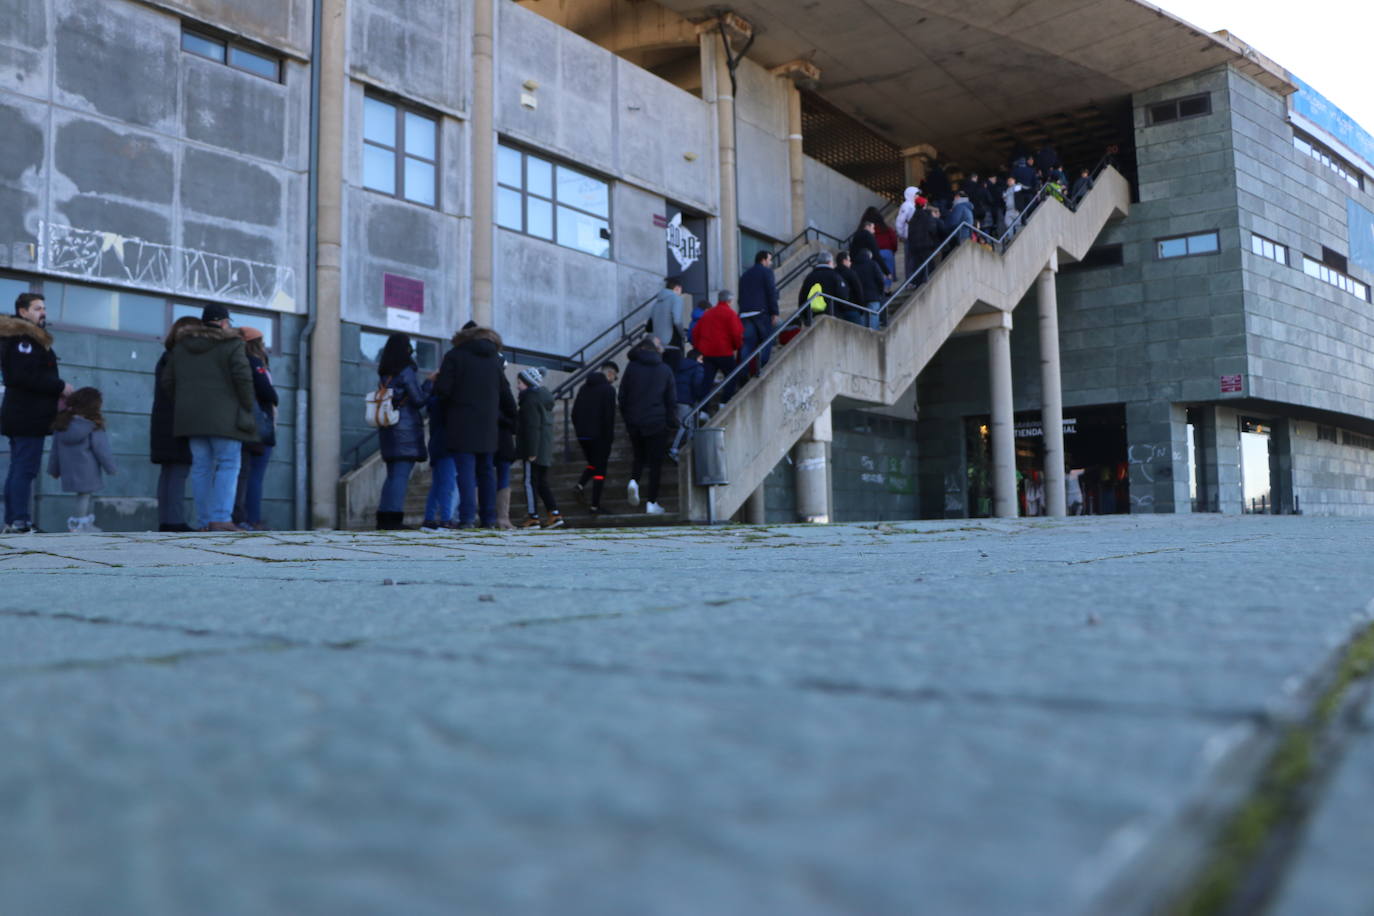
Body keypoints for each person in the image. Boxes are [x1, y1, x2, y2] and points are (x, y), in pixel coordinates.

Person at [163, 303, 256, 532]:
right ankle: (221, 518)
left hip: (192, 419)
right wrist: (245, 406)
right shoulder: (231, 343)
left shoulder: (181, 347)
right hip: (225, 418)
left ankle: (204, 521)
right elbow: (243, 378)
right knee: (228, 464)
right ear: (224, 322)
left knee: (201, 467)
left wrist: (186, 404)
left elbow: (168, 381)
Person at [1, 292, 73, 533]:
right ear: (23, 312)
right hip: (26, 416)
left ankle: (16, 520)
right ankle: (18, 521)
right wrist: (60, 386)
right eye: (37, 308)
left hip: (27, 415)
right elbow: (20, 376)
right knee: (24, 468)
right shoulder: (24, 339)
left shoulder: (28, 338)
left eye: (43, 308)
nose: (43, 312)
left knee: (21, 468)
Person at [434, 324, 510, 529]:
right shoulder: (495, 361)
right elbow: (506, 394)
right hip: (488, 426)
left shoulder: (454, 356)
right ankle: (489, 519)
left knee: (466, 472)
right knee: (486, 471)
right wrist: (512, 420)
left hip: (461, 423)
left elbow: (443, 390)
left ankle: (467, 518)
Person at [150, 316, 200, 532]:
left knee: (169, 472)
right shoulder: (180, 358)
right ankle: (174, 521)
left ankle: (167, 520)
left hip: (164, 422)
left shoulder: (167, 356)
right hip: (178, 422)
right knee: (178, 471)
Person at [618, 337, 677, 515]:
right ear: (656, 350)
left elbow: (622, 396)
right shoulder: (665, 369)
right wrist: (670, 421)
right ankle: (651, 502)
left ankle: (634, 481)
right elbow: (671, 400)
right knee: (655, 464)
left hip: (634, 422)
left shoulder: (632, 367)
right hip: (657, 421)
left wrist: (628, 418)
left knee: (638, 456)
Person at [47, 387, 117, 533]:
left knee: (82, 495)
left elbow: (55, 451)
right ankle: (80, 524)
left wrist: (54, 470)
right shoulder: (93, 426)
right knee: (85, 495)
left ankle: (83, 523)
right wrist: (110, 468)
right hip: (88, 469)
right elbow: (102, 450)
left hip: (69, 470)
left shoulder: (62, 425)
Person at [374, 333, 425, 530]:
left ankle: (384, 518)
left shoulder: (384, 374)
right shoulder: (406, 371)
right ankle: (394, 519)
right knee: (400, 476)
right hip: (405, 430)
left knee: (392, 475)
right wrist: (430, 383)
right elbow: (419, 399)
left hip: (389, 429)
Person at [235, 327, 277, 531]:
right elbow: (267, 391)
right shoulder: (254, 362)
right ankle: (252, 519)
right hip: (260, 425)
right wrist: (274, 397)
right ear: (255, 343)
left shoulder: (241, 361)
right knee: (254, 475)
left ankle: (246, 517)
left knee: (245, 473)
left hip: (249, 424)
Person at [515, 367, 562, 529]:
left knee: (529, 482)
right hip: (544, 448)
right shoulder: (543, 398)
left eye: (520, 383)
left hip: (534, 449)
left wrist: (531, 452)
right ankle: (554, 514)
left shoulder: (530, 399)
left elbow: (532, 426)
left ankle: (533, 516)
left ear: (528, 383)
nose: (518, 386)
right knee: (542, 482)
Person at [572, 360, 618, 517]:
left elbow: (574, 413)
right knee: (600, 470)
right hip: (600, 436)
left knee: (593, 464)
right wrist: (609, 438)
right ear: (610, 374)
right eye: (615, 377)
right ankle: (594, 506)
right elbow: (609, 417)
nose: (614, 380)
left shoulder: (584, 388)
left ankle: (580, 485)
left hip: (583, 435)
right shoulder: (608, 390)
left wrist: (579, 430)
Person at [691, 290, 744, 403]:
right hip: (724, 351)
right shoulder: (730, 314)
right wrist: (737, 346)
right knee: (732, 376)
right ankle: (724, 402)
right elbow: (736, 333)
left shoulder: (708, 313)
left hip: (708, 353)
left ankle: (703, 410)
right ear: (729, 301)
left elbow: (695, 332)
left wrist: (699, 348)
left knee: (707, 380)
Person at [419, 370, 456, 532]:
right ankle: (446, 521)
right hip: (447, 446)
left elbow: (425, 397)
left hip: (436, 446)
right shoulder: (447, 402)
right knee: (447, 485)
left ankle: (429, 520)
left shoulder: (434, 401)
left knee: (438, 484)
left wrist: (428, 382)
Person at [737, 250, 779, 374]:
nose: (771, 263)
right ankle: (759, 368)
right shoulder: (767, 272)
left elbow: (740, 296)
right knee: (767, 340)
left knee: (747, 345)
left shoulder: (745, 275)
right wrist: (774, 312)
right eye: (770, 260)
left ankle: (743, 374)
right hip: (761, 313)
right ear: (763, 260)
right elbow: (771, 292)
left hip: (745, 313)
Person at [669, 349, 708, 460]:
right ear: (698, 358)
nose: (703, 362)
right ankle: (674, 449)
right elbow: (697, 385)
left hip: (676, 399)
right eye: (702, 359)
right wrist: (700, 397)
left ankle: (689, 448)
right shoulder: (697, 368)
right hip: (686, 399)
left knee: (688, 424)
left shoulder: (679, 367)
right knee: (685, 424)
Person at [796, 251, 849, 326]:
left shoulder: (809, 277)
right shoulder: (835, 276)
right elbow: (843, 296)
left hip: (812, 317)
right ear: (830, 262)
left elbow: (802, 297)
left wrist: (804, 316)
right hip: (833, 316)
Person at [646, 276, 686, 371]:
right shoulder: (676, 299)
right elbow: (677, 321)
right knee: (673, 376)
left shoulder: (657, 303)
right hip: (673, 344)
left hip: (658, 346)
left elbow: (649, 327)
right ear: (677, 288)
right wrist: (683, 334)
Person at [849, 219, 892, 287]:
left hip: (856, 265)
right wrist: (887, 272)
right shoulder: (868, 235)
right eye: (872, 228)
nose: (874, 231)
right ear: (867, 227)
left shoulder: (856, 235)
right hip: (867, 264)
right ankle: (887, 288)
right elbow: (876, 254)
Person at [851, 248, 886, 330]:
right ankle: (874, 337)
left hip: (859, 297)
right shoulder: (873, 264)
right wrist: (880, 292)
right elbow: (880, 279)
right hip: (873, 296)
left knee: (863, 320)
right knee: (873, 319)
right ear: (869, 255)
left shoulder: (854, 266)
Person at [834, 251, 866, 325]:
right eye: (849, 260)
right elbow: (858, 291)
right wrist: (861, 308)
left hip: (837, 311)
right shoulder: (851, 273)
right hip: (852, 308)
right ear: (844, 261)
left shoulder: (833, 273)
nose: (850, 262)